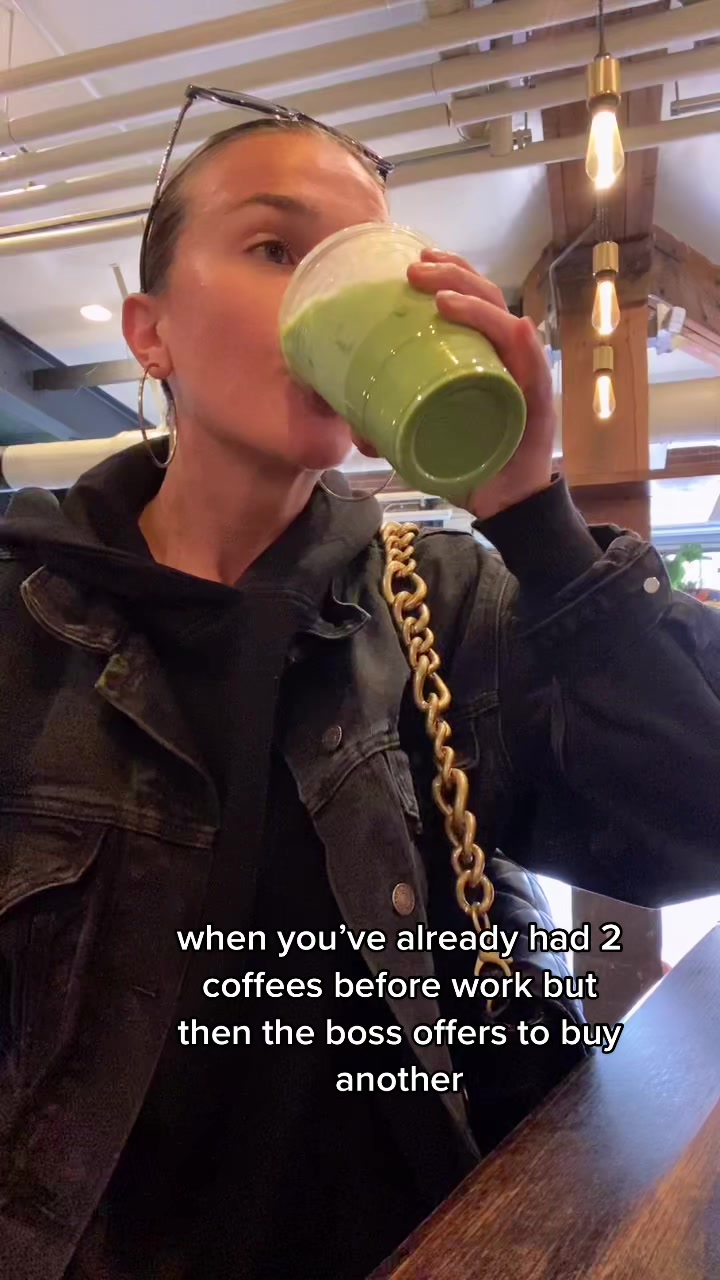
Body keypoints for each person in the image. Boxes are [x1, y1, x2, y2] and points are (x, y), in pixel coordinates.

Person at [0, 99, 718, 1280]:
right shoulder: (26, 620)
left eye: (364, 258)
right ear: (150, 332)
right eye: (275, 247)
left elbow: (698, 823)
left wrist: (534, 517)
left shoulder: (442, 601)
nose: (332, 290)